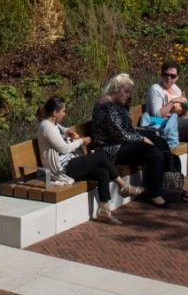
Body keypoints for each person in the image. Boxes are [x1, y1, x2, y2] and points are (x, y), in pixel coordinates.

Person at [36, 95, 143, 225]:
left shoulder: (53, 124)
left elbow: (61, 129)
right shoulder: (45, 126)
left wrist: (68, 131)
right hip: (62, 169)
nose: (65, 113)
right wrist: (82, 141)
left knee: (103, 172)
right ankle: (123, 186)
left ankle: (104, 211)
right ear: (55, 112)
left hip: (70, 164)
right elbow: (63, 148)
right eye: (63, 111)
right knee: (101, 156)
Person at [90, 73, 172, 207]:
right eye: (126, 92)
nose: (128, 95)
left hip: (123, 142)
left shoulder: (117, 103)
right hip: (111, 148)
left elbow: (127, 126)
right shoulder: (106, 105)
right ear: (116, 89)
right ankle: (155, 194)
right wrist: (141, 138)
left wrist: (127, 104)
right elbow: (119, 134)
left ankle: (167, 184)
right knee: (153, 153)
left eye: (129, 92)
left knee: (161, 142)